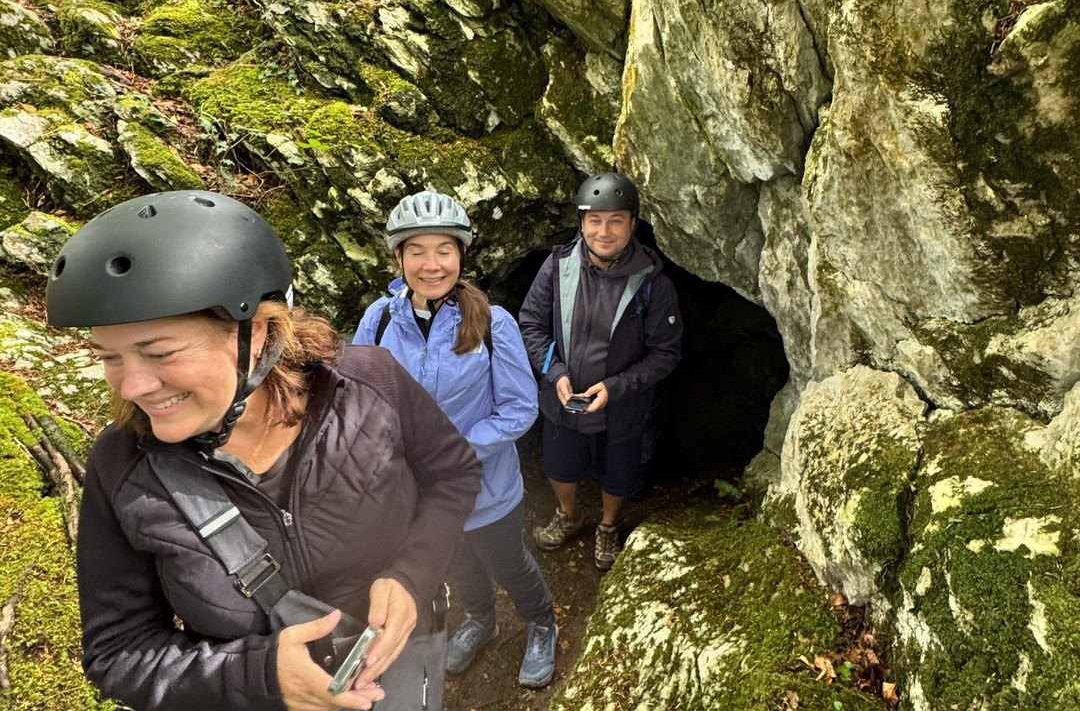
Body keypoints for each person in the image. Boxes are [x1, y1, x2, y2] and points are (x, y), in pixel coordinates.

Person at [45, 189, 482, 711]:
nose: (131, 386)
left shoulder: (368, 384)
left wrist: (413, 575)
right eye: (109, 357)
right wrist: (257, 678)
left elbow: (453, 473)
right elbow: (119, 652)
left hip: (404, 674)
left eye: (159, 352)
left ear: (261, 333)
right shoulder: (122, 468)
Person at [352, 192, 558, 689]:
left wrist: (452, 452)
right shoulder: (379, 320)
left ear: (461, 255)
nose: (431, 264)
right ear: (398, 258)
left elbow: (519, 408)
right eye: (416, 250)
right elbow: (358, 396)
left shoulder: (491, 322)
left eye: (443, 249)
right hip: (419, 494)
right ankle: (480, 621)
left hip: (485, 485)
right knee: (455, 561)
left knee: (508, 561)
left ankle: (542, 624)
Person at [518, 172, 682, 571]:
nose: (603, 231)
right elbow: (530, 323)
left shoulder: (653, 284)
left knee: (619, 473)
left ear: (633, 224)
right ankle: (570, 515)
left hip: (622, 405)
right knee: (559, 467)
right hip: (563, 401)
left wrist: (616, 386)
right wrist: (554, 372)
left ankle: (608, 525)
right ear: (581, 223)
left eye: (615, 220)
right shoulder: (557, 267)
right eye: (594, 220)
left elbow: (666, 352)